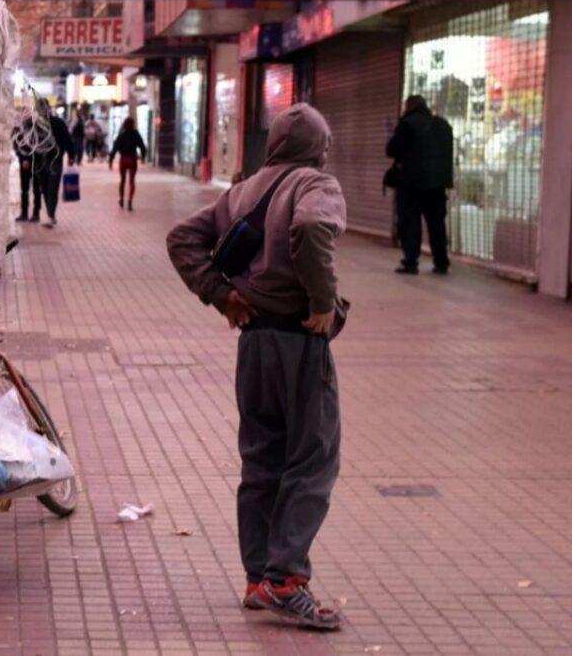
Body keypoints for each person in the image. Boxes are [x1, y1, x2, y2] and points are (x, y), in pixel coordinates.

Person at [166, 103, 347, 631]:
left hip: (255, 342)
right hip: (299, 340)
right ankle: (286, 580)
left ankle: (258, 580)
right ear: (320, 148)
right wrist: (321, 301)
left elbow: (182, 238)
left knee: (262, 458)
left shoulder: (242, 190)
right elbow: (313, 226)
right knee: (312, 459)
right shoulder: (316, 185)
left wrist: (220, 294)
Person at [386, 94, 454, 275]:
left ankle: (411, 262)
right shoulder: (442, 125)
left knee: (410, 223)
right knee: (437, 224)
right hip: (437, 185)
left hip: (411, 183)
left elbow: (391, 149)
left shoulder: (408, 124)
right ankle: (441, 262)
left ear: (409, 106)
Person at [30, 101, 74, 228]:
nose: (40, 111)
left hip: (55, 159)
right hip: (39, 160)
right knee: (44, 188)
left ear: (48, 109)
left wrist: (71, 155)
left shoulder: (58, 123)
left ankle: (51, 215)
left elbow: (67, 139)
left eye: (42, 108)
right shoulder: (35, 124)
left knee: (52, 188)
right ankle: (50, 214)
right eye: (38, 109)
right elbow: (30, 141)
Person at [108, 118, 147, 211]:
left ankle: (121, 199)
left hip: (123, 159)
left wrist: (111, 160)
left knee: (122, 180)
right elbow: (142, 146)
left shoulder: (121, 134)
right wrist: (143, 157)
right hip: (132, 159)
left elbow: (115, 147)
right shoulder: (135, 134)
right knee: (132, 181)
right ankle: (130, 201)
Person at [12, 114, 35, 223]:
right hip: (26, 162)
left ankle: (33, 213)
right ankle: (26, 213)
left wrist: (27, 158)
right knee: (26, 188)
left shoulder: (33, 128)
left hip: (33, 162)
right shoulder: (19, 129)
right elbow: (16, 144)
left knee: (32, 188)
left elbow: (32, 145)